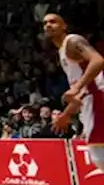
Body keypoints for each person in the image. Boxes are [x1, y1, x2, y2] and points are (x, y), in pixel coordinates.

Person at [43, 13, 104, 170]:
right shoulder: (62, 52)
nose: (48, 25)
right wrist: (66, 114)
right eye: (45, 23)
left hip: (99, 99)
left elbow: (98, 61)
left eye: (53, 22)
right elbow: (80, 92)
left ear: (64, 26)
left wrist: (76, 87)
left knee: (99, 156)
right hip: (91, 101)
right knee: (99, 157)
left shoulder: (72, 41)